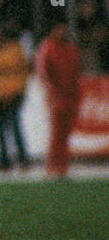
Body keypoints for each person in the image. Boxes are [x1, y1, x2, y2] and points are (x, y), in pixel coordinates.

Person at [0, 22, 31, 172]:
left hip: (14, 94)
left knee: (15, 127)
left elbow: (23, 71)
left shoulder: (15, 49)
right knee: (0, 129)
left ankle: (23, 159)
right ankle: (4, 161)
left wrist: (20, 90)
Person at [36, 21, 82, 177]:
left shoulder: (70, 48)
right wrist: (51, 93)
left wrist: (76, 96)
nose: (62, 31)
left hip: (70, 97)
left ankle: (62, 167)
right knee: (56, 134)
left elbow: (76, 73)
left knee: (65, 134)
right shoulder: (48, 47)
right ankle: (52, 167)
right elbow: (43, 72)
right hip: (57, 98)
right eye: (59, 28)